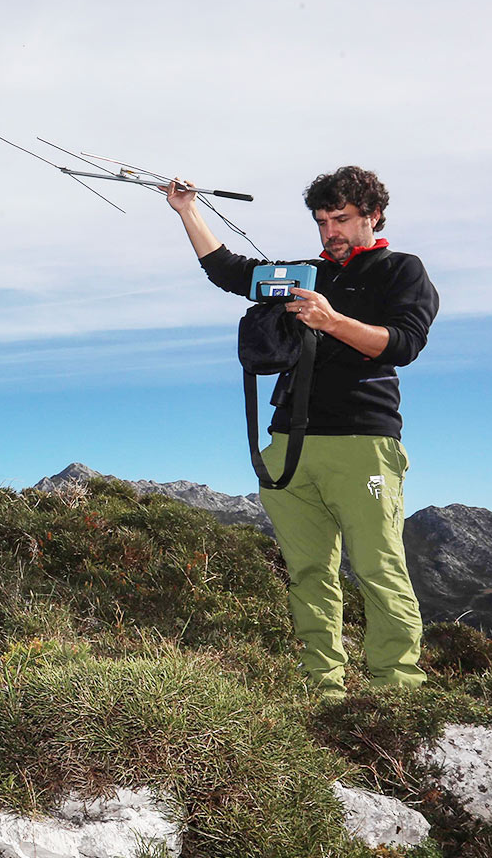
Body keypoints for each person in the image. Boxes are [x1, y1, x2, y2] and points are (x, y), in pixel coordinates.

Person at [165, 167, 438, 697]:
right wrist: (188, 212)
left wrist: (332, 320)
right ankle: (323, 688)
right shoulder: (304, 273)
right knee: (309, 570)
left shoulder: (401, 270)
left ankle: (398, 692)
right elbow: (229, 271)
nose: (330, 231)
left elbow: (403, 344)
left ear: (373, 216)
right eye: (321, 221)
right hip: (290, 440)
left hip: (363, 441)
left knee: (378, 568)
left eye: (341, 219)